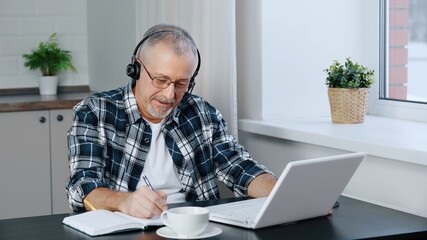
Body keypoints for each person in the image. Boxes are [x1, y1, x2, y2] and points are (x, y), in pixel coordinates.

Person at [66, 23, 277, 219]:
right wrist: (125, 201)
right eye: (161, 80)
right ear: (136, 69)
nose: (169, 95)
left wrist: (281, 191)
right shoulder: (95, 111)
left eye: (181, 83)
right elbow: (82, 187)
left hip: (193, 229)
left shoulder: (202, 112)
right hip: (124, 227)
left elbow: (239, 167)